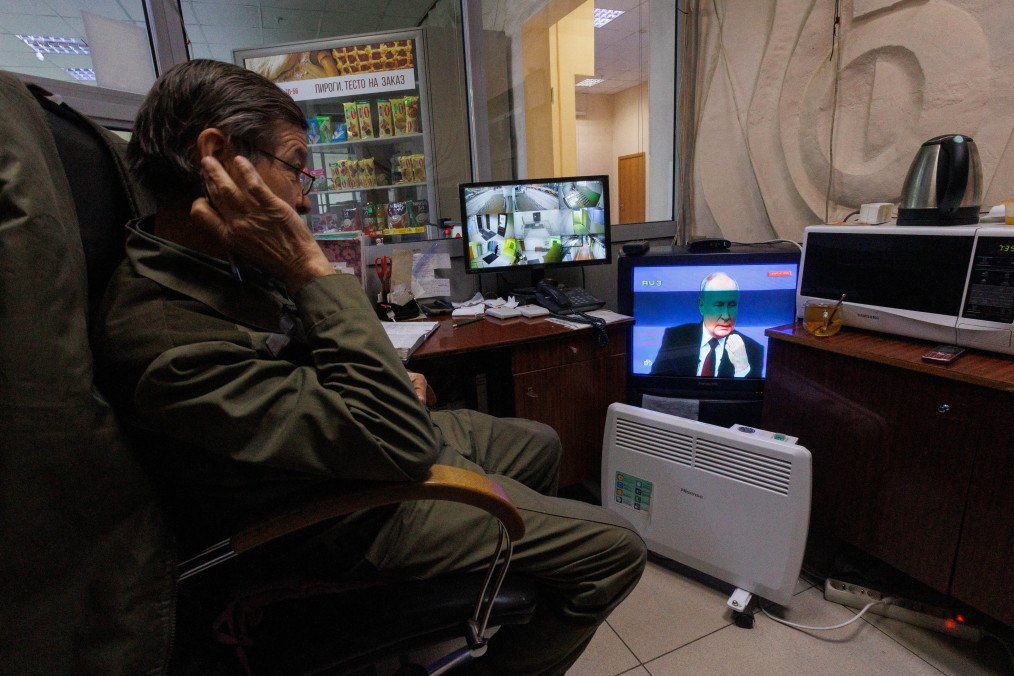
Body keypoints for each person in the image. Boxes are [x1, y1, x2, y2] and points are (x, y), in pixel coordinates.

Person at [93, 59, 645, 675]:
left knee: (540, 442)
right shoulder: (169, 343)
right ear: (218, 156)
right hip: (341, 513)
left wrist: (383, 382)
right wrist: (308, 270)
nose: (305, 197)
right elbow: (400, 441)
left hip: (352, 454)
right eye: (296, 166)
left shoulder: (220, 264)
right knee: (616, 550)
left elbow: (315, 373)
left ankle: (499, 583)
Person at [650, 271, 764, 377]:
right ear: (702, 306)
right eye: (718, 305)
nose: (726, 316)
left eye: (732, 305)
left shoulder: (753, 350)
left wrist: (742, 369)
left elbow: (751, 391)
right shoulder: (675, 337)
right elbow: (655, 383)